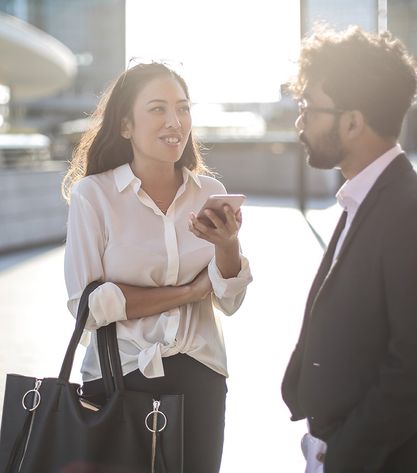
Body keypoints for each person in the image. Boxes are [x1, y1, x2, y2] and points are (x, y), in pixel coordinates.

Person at [281, 26, 417, 473]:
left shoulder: (416, 215)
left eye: (308, 107)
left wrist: (343, 454)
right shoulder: (365, 198)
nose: (299, 121)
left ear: (353, 121)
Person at [62, 61, 252, 473]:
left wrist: (228, 245)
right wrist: (187, 293)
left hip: (201, 376)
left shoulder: (210, 192)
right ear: (126, 125)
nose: (175, 121)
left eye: (183, 108)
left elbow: (230, 301)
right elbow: (87, 306)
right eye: (158, 109)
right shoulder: (93, 196)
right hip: (118, 380)